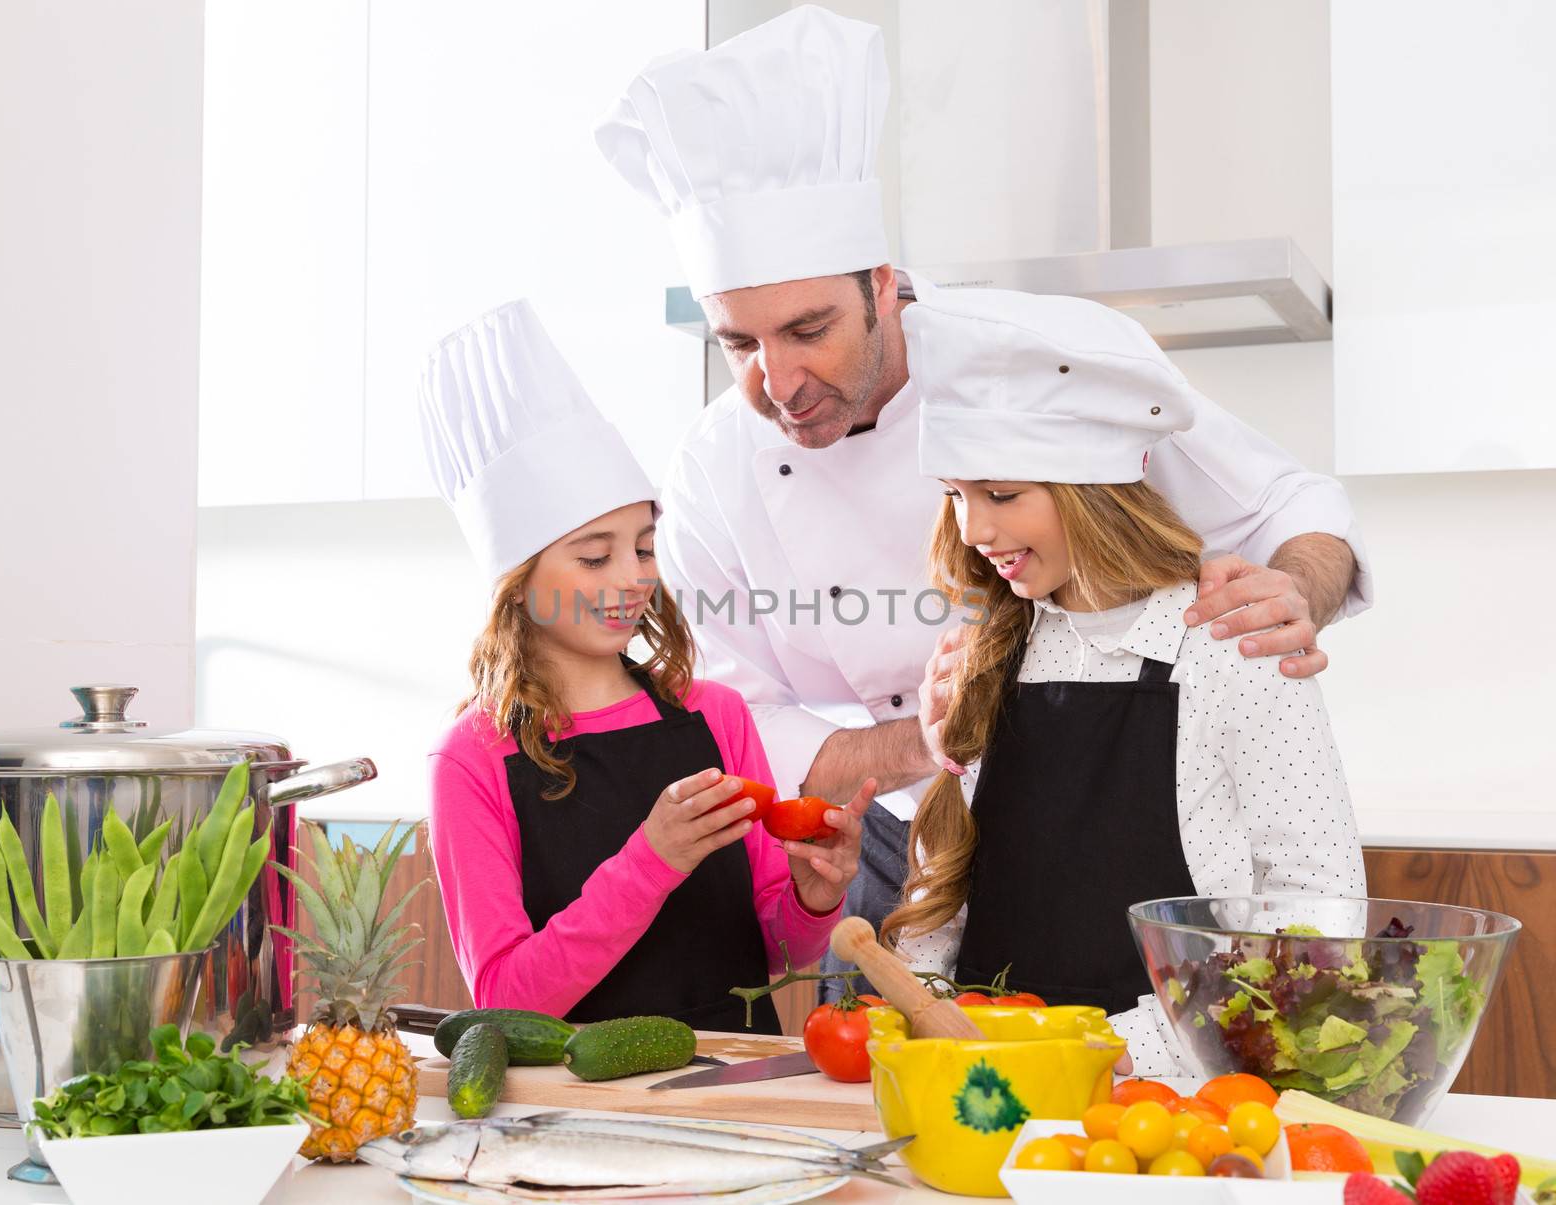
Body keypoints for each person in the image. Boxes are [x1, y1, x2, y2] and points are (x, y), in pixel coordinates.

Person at [595, 5, 1371, 996]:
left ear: (884, 286)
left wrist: (1291, 590)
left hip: (1100, 829)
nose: (778, 381)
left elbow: (1290, 507)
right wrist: (935, 736)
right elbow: (721, 705)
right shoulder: (713, 462)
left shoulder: (1039, 362)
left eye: (808, 328)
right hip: (878, 835)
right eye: (739, 344)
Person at [883, 283, 1366, 1072]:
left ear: (1094, 493)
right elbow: (946, 902)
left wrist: (1110, 1050)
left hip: (1177, 1099)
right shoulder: (989, 649)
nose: (976, 530)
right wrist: (924, 1008)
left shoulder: (1231, 643)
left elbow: (1315, 918)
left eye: (1002, 493)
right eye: (956, 496)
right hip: (987, 1089)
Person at [420, 299, 872, 1034]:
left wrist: (815, 895)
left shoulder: (714, 714)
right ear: (518, 579)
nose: (632, 577)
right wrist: (652, 858)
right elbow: (507, 1003)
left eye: (641, 546)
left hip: (734, 1090)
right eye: (595, 555)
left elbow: (778, 950)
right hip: (573, 1107)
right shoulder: (471, 756)